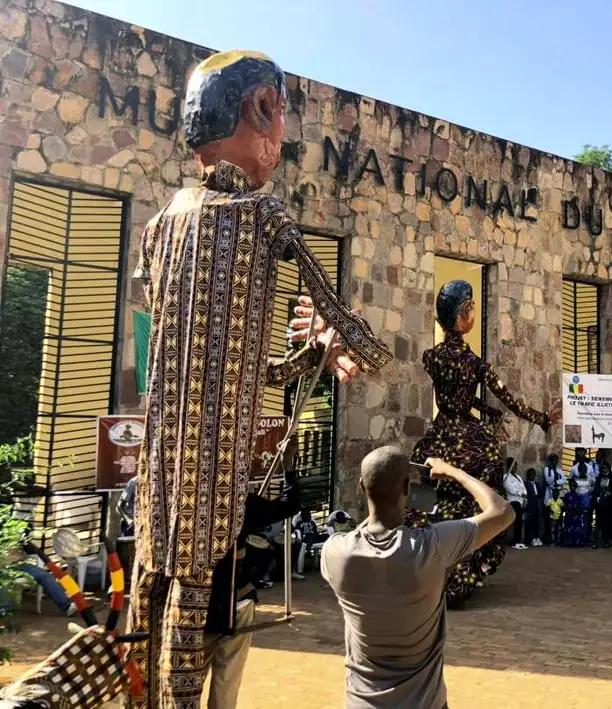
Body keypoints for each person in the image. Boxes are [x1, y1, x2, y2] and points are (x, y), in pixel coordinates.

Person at [128, 50, 390, 707]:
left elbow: (222, 362)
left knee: (152, 588)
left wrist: (306, 358)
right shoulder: (262, 216)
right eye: (281, 113)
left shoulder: (161, 227)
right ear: (261, 110)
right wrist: (354, 347)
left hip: (161, 471)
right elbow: (351, 327)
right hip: (211, 483)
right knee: (192, 598)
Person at [321, 448, 514, 708]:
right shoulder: (431, 547)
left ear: (361, 486)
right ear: (406, 488)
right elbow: (502, 511)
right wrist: (453, 472)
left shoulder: (336, 553)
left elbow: (363, 535)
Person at [410, 280, 559, 605]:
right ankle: (464, 566)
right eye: (472, 307)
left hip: (439, 437)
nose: (473, 312)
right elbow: (511, 401)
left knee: (423, 503)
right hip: (468, 439)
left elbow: (456, 398)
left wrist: (488, 411)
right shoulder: (476, 364)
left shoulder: (431, 357)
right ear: (464, 314)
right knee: (486, 495)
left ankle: (416, 565)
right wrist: (543, 418)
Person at [204, 464, 301, 709]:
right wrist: (289, 471)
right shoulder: (240, 504)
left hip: (192, 606)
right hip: (232, 603)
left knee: (189, 678)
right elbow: (289, 505)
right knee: (227, 680)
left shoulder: (181, 502)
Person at [503, 459, 528, 550]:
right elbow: (510, 489)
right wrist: (521, 494)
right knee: (518, 521)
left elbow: (523, 488)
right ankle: (516, 542)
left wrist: (525, 498)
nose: (514, 468)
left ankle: (519, 541)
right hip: (513, 501)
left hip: (521, 501)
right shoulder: (506, 477)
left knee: (520, 521)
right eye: (512, 466)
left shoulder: (518, 477)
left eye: (515, 466)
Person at [592, 463, 612, 548]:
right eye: (602, 468)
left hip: (608, 504)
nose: (604, 470)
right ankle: (595, 541)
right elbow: (595, 490)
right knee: (598, 523)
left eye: (606, 468)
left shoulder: (611, 478)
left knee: (606, 523)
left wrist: (609, 493)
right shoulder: (599, 478)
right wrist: (597, 497)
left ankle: (606, 541)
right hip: (599, 503)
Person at [541, 454, 565, 544]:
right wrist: (556, 482)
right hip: (550, 493)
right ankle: (548, 536)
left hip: (557, 493)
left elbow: (564, 480)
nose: (554, 462)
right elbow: (548, 480)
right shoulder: (547, 469)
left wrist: (556, 482)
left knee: (558, 514)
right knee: (549, 514)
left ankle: (558, 537)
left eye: (556, 460)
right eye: (553, 460)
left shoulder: (559, 470)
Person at [561, 479, 588, 547]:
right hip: (569, 514)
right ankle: (568, 542)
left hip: (576, 514)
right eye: (571, 486)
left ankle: (577, 542)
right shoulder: (566, 495)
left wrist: (577, 513)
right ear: (569, 486)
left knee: (577, 527)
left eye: (574, 486)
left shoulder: (578, 496)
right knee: (568, 527)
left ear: (576, 487)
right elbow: (565, 505)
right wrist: (568, 512)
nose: (572, 487)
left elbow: (580, 506)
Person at [524, 468, 542, 547]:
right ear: (527, 475)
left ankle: (536, 537)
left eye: (533, 474)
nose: (532, 476)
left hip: (536, 504)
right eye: (530, 474)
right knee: (529, 522)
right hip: (529, 504)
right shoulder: (525, 484)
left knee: (536, 521)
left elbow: (540, 493)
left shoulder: (536, 484)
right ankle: (530, 538)